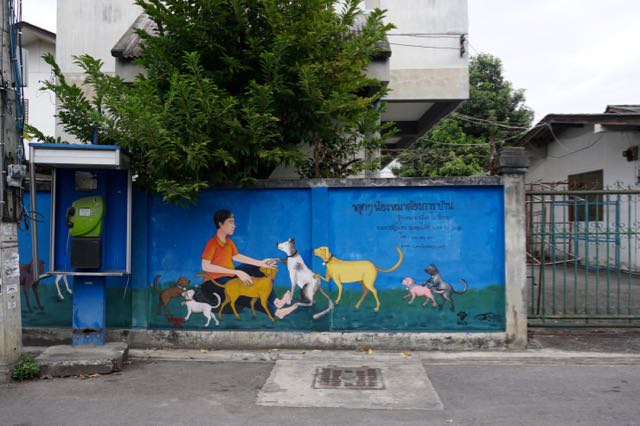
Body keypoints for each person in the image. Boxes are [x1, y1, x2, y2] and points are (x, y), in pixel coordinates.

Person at [201, 209, 277, 286]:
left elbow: (236, 256)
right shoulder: (212, 243)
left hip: (230, 275)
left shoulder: (229, 241)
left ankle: (270, 294)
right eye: (230, 222)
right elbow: (205, 266)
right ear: (220, 224)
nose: (234, 226)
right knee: (240, 286)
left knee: (258, 269)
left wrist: (260, 263)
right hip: (215, 279)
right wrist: (237, 272)